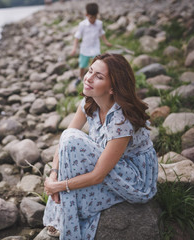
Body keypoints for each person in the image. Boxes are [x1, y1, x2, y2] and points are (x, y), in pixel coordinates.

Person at [43, 53, 158, 240]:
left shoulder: (121, 121)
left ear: (113, 88)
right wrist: (54, 173)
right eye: (90, 71)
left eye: (99, 77)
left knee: (73, 142)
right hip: (112, 163)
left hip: (136, 179)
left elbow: (98, 175)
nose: (88, 78)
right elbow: (64, 140)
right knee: (69, 138)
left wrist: (59, 187)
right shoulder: (90, 102)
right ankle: (64, 214)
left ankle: (66, 220)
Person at [70, 3, 112, 86]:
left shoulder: (99, 23)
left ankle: (95, 80)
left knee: (97, 64)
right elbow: (77, 37)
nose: (93, 20)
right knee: (82, 65)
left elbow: (101, 33)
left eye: (95, 17)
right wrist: (74, 48)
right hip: (85, 48)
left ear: (97, 15)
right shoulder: (82, 25)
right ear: (86, 15)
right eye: (91, 17)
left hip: (95, 48)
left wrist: (106, 42)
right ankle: (80, 77)